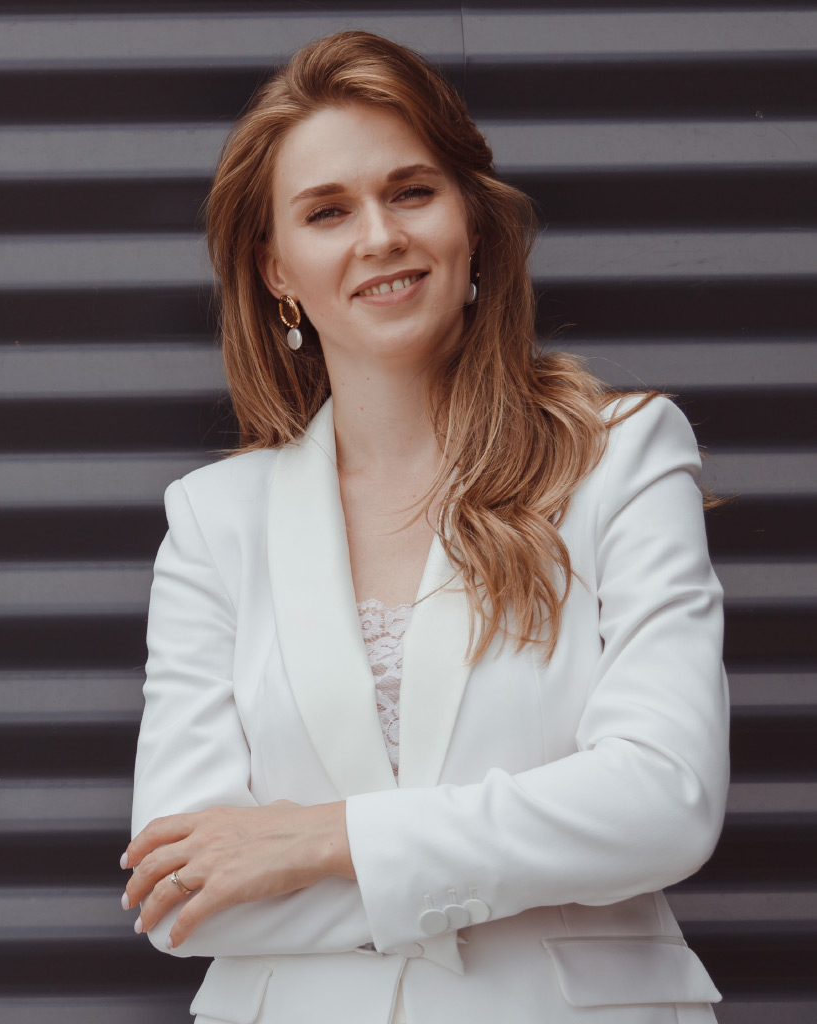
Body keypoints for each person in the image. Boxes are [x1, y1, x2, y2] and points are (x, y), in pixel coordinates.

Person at [122, 30, 730, 1024]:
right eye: (327, 211)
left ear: (470, 223)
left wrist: (328, 838)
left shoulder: (620, 458)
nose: (380, 236)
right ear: (277, 271)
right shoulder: (214, 521)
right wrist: (524, 862)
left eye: (411, 192)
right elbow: (183, 890)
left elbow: (664, 801)